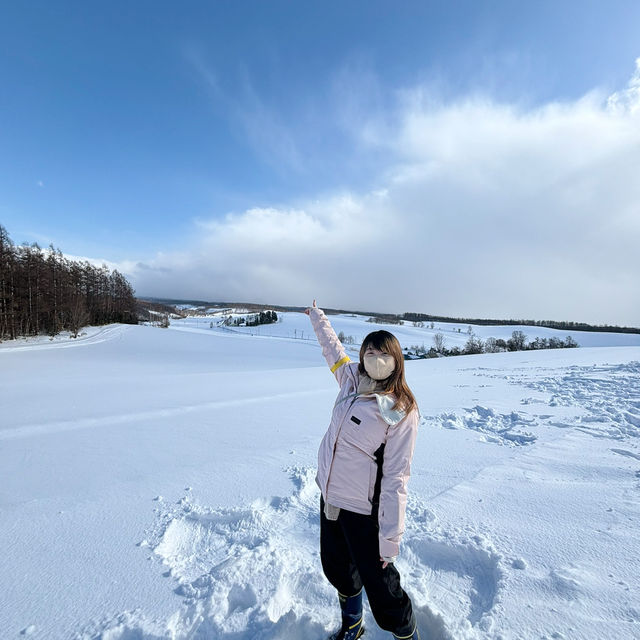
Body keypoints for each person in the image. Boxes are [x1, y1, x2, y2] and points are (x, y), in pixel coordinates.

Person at [305, 300, 421, 640]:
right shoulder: (350, 382)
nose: (375, 359)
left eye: (383, 354)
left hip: (364, 514)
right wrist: (318, 317)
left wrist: (389, 539)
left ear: (396, 361)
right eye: (369, 352)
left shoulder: (400, 411)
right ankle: (353, 625)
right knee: (339, 571)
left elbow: (397, 479)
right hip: (331, 500)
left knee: (384, 590)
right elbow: (332, 349)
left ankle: (407, 635)